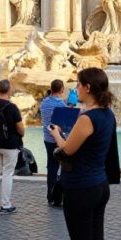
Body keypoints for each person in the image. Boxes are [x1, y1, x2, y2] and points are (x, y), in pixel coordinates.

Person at [50, 67, 114, 240]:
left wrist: (56, 134)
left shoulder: (87, 119)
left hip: (80, 189)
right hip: (99, 185)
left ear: (88, 88)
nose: (75, 88)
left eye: (78, 85)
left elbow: (67, 150)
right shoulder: (108, 115)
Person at [0, 79, 24, 214]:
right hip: (10, 146)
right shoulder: (12, 108)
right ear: (9, 90)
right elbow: (21, 129)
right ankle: (6, 205)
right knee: (7, 173)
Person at [40, 79, 68, 207]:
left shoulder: (44, 102)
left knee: (51, 166)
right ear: (61, 89)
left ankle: (50, 196)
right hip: (58, 139)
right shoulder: (61, 104)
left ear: (51, 89)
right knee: (62, 167)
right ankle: (59, 196)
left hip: (47, 138)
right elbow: (63, 124)